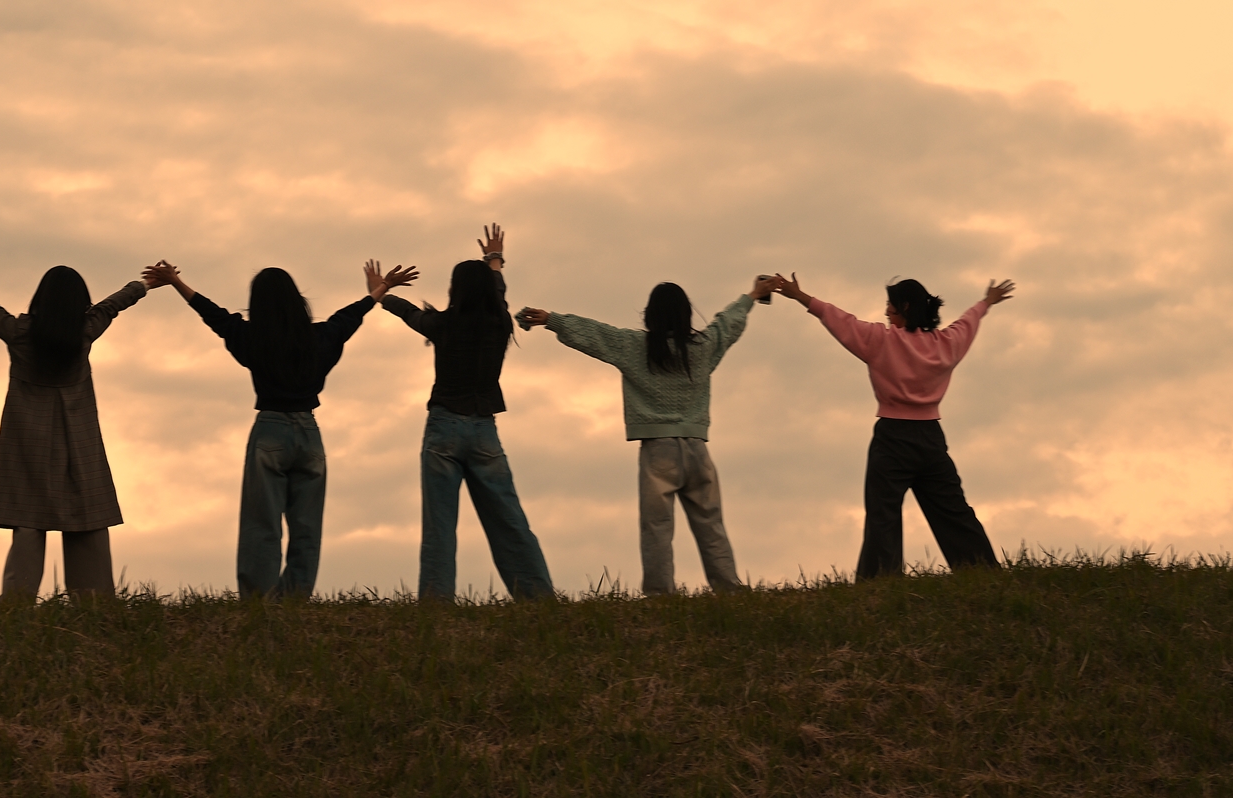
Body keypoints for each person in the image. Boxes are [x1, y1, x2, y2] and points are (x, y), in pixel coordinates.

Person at [143, 257, 419, 600]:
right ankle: (294, 600)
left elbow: (213, 315)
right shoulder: (320, 337)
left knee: (262, 524)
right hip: (309, 434)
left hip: (270, 430)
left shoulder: (251, 337)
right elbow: (350, 316)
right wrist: (382, 289)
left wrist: (175, 282)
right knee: (307, 527)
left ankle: (258, 602)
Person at [0, 241, 161, 599]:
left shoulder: (19, 334)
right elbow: (112, 305)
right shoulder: (85, 332)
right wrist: (145, 284)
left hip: (28, 442)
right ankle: (94, 604)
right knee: (87, 517)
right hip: (79, 441)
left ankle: (16, 604)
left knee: (28, 520)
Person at [518, 276, 778, 596]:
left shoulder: (634, 347)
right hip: (697, 449)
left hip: (658, 451)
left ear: (650, 315)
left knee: (656, 528)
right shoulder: (702, 347)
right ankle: (729, 588)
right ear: (686, 313)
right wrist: (752, 295)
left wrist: (552, 320)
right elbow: (728, 324)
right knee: (710, 523)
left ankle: (660, 594)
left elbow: (596, 334)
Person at [772, 272, 1016, 578]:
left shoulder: (881, 340)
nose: (886, 312)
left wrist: (800, 296)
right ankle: (982, 571)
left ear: (905, 307)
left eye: (890, 305)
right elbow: (967, 323)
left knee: (883, 515)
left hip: (892, 438)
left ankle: (880, 581)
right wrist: (986, 302)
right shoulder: (946, 344)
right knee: (953, 511)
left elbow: (839, 319)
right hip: (931, 439)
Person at [379, 224, 553, 601]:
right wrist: (495, 260)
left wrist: (382, 294)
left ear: (454, 290)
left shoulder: (443, 324)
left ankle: (437, 604)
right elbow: (499, 295)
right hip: (484, 430)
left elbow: (409, 314)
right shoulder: (500, 324)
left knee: (440, 527)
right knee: (510, 521)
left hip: (443, 427)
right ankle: (539, 599)